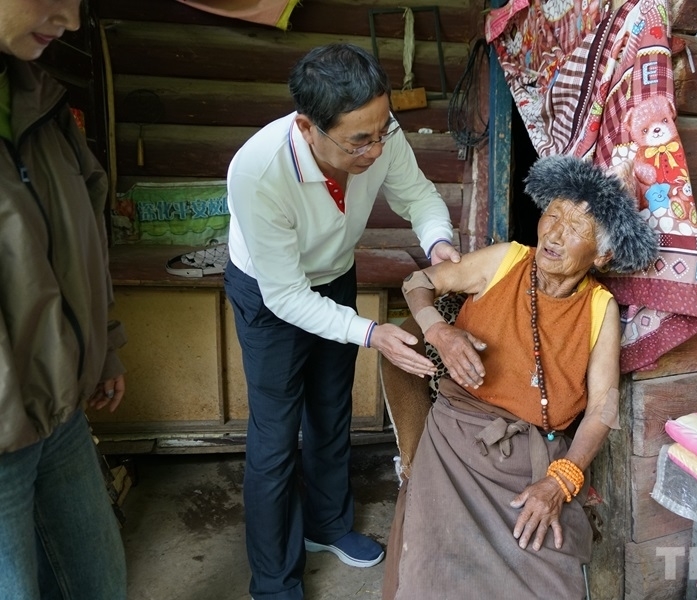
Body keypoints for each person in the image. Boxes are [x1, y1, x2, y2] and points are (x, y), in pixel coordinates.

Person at [224, 42, 458, 600]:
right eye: (359, 141)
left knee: (330, 410)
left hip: (334, 274)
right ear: (308, 128)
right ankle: (274, 583)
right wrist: (371, 333)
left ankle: (327, 526)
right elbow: (286, 296)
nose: (376, 149)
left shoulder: (381, 134)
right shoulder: (259, 171)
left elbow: (418, 197)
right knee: (275, 436)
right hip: (270, 294)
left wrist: (439, 244)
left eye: (382, 131)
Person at [384, 155, 659, 599]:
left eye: (575, 228)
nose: (554, 234)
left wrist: (561, 480)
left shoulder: (599, 307)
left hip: (538, 458)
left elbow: (603, 406)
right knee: (435, 570)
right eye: (553, 215)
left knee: (548, 575)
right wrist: (438, 331)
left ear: (602, 255)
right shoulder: (506, 260)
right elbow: (418, 280)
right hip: (458, 443)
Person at [0, 0, 128, 598]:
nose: (72, 21)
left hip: (60, 411)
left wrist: (103, 344)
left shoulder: (42, 102)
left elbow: (83, 241)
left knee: (98, 583)